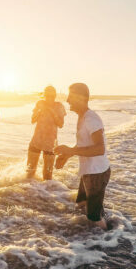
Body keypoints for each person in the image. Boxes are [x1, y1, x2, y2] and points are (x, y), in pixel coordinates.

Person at [54, 83, 111, 230]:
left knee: (94, 217)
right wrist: (67, 154)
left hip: (96, 173)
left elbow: (99, 148)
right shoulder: (82, 117)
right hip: (89, 172)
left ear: (81, 98)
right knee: (81, 204)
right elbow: (84, 143)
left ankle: (107, 243)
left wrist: (71, 151)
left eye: (70, 96)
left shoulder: (90, 119)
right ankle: (87, 238)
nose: (67, 100)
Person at [26, 86, 66, 180]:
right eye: (47, 95)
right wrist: (39, 112)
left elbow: (61, 124)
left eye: (52, 95)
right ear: (44, 95)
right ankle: (28, 193)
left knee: (47, 177)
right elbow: (32, 120)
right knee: (29, 173)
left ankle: (46, 194)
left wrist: (53, 113)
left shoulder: (59, 106)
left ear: (55, 95)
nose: (49, 98)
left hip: (50, 143)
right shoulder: (40, 103)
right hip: (37, 140)